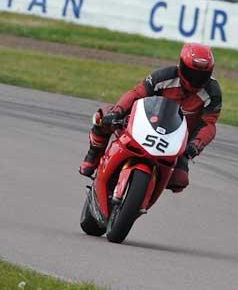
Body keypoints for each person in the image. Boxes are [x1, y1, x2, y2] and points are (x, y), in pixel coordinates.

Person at [78, 42, 222, 193]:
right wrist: (117, 112)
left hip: (178, 142)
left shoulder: (213, 92)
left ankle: (143, 197)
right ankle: (94, 154)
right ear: (181, 67)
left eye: (201, 75)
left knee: (179, 180)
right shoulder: (163, 77)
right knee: (103, 117)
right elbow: (136, 94)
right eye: (191, 73)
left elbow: (209, 124)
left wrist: (194, 146)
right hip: (146, 125)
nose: (195, 79)